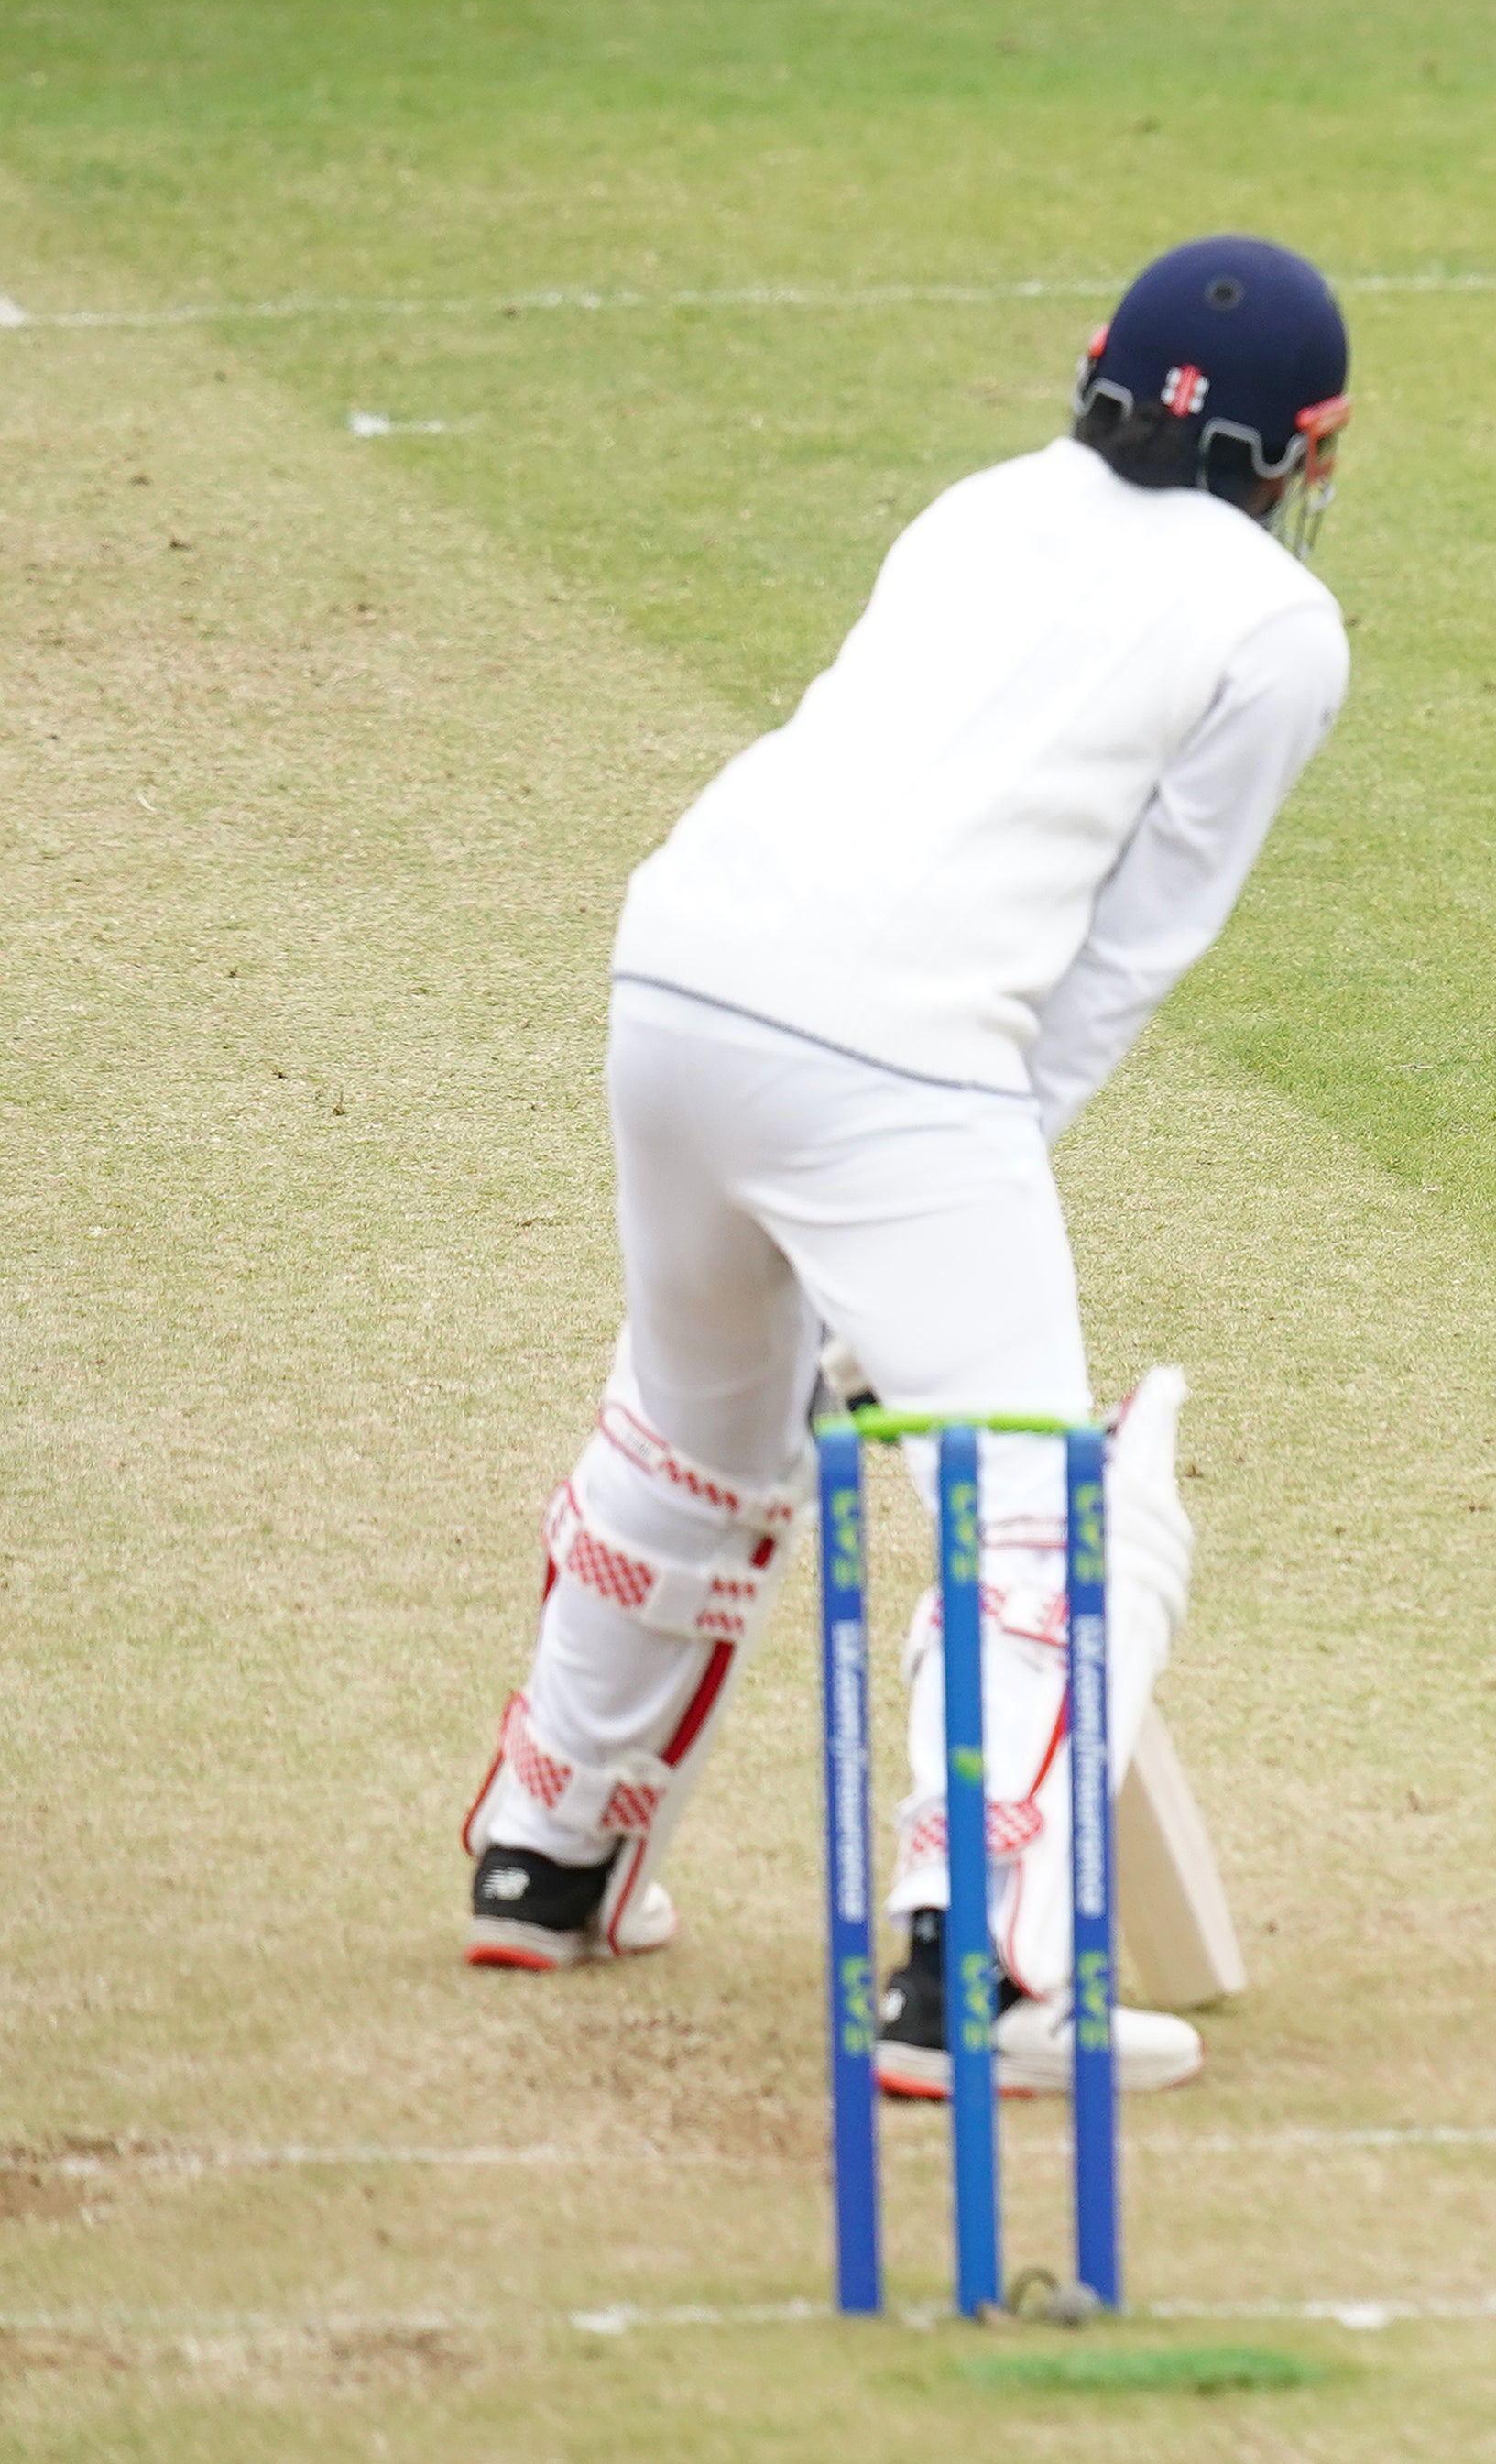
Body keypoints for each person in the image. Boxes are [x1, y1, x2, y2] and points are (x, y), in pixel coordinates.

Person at [459, 237, 1357, 2098]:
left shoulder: (976, 506)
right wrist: (933, 1221)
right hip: (896, 1054)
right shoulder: (1278, 624)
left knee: (702, 1429)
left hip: (679, 966)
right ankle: (981, 1980)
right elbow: (1121, 954)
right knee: (1061, 1503)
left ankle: (549, 1857)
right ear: (1309, 452)